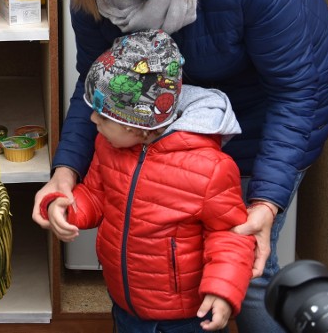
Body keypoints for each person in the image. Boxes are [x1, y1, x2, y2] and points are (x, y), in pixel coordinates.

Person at [34, 0, 328, 332]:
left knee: (247, 267)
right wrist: (66, 170)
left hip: (268, 111)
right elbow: (95, 87)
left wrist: (265, 202)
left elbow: (297, 90)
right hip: (164, 123)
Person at [39, 29, 255, 332]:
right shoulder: (109, 146)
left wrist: (222, 288)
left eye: (103, 117)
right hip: (126, 304)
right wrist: (64, 206)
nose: (92, 121)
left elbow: (231, 235)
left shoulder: (210, 168)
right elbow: (96, 195)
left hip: (187, 317)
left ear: (138, 127)